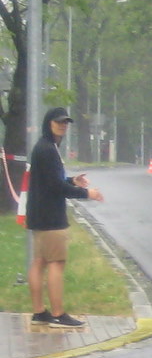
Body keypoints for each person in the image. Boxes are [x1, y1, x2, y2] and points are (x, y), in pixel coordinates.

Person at [26, 107, 104, 328]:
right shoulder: (48, 149)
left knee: (39, 262)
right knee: (56, 263)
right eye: (58, 122)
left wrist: (71, 181)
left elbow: (52, 181)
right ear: (48, 123)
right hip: (51, 217)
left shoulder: (46, 147)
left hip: (39, 214)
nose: (62, 126)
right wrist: (87, 193)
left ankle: (40, 312)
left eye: (65, 123)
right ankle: (59, 314)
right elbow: (55, 187)